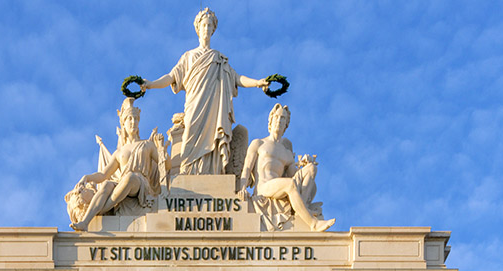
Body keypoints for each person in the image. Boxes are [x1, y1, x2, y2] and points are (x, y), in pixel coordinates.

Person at [141, 8, 270, 174]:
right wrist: (151, 84)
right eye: (204, 25)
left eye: (210, 26)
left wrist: (258, 82)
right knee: (190, 138)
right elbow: (171, 77)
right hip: (195, 104)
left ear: (213, 29)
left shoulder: (219, 59)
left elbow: (237, 78)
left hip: (214, 107)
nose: (207, 29)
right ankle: (188, 174)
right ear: (198, 28)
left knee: (213, 140)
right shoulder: (189, 56)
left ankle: (213, 174)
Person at [69, 98, 167, 231]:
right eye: (130, 119)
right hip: (123, 184)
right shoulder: (119, 152)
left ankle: (101, 210)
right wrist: (87, 177)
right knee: (107, 184)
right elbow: (103, 174)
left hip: (140, 184)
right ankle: (85, 222)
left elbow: (167, 166)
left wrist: (161, 149)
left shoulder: (147, 145)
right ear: (124, 123)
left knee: (130, 177)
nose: (133, 122)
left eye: (136, 119)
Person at [240, 104, 336, 231]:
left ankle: (302, 208)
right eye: (277, 117)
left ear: (286, 124)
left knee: (311, 169)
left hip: (280, 186)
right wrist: (242, 187)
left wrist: (305, 165)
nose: (279, 121)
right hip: (264, 187)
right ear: (271, 120)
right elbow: (247, 167)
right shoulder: (259, 143)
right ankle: (313, 224)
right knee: (289, 184)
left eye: (283, 118)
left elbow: (294, 176)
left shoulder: (287, 152)